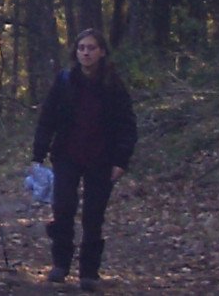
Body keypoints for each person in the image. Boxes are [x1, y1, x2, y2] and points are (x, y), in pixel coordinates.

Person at [31, 28, 138, 291]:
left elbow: (127, 124)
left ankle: (89, 271)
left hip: (102, 158)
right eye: (81, 48)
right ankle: (60, 263)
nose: (86, 53)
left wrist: (121, 161)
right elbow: (48, 119)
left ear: (101, 52)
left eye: (91, 48)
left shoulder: (113, 84)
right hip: (67, 155)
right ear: (75, 52)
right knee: (63, 208)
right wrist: (38, 154)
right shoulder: (65, 81)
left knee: (93, 216)